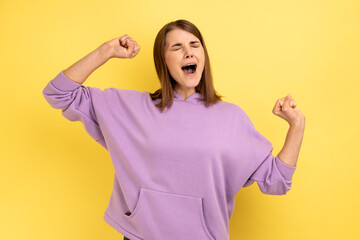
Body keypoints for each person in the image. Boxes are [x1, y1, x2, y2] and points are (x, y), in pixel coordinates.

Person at [43, 19, 305, 240]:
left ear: (203, 55)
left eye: (194, 45)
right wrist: (106, 51)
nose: (188, 53)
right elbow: (58, 93)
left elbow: (277, 181)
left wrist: (297, 125)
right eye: (177, 47)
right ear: (163, 60)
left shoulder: (231, 118)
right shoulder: (131, 107)